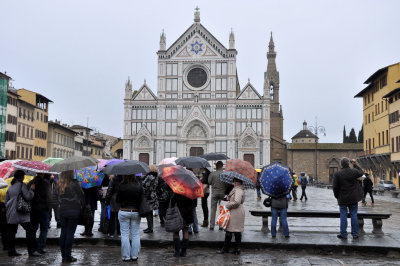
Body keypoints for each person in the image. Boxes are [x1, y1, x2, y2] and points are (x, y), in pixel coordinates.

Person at [5, 170, 40, 257]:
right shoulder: (22, 185)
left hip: (11, 213)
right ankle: (31, 251)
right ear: (21, 177)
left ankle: (11, 251)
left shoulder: (10, 186)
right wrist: (32, 190)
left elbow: (6, 201)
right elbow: (28, 197)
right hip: (21, 212)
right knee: (30, 231)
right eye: (23, 176)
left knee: (11, 233)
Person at [333, 158, 364, 240]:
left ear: (341, 164)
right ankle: (355, 234)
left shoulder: (337, 174)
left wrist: (337, 196)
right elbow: (362, 172)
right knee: (354, 215)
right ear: (348, 163)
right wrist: (355, 164)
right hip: (353, 198)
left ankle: (343, 234)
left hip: (342, 198)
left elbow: (335, 187)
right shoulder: (354, 171)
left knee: (343, 215)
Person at [116, 174, 143, 262]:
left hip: (124, 211)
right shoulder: (139, 185)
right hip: (135, 211)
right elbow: (142, 199)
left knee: (124, 234)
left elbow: (118, 199)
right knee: (135, 234)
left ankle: (126, 256)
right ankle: (134, 256)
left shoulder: (121, 185)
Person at [59, 170, 84, 263]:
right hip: (73, 210)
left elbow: (56, 197)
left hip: (62, 210)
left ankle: (63, 256)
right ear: (71, 174)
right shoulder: (75, 183)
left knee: (63, 233)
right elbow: (81, 195)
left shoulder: (60, 183)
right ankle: (67, 256)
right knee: (70, 233)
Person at [217, 178, 245, 255]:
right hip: (235, 211)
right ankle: (237, 249)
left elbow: (237, 202)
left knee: (231, 230)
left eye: (234, 182)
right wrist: (228, 198)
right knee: (235, 230)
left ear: (237, 182)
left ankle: (226, 248)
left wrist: (227, 205)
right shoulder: (237, 189)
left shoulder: (238, 190)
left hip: (235, 212)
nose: (233, 183)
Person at [28, 173, 52, 254]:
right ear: (42, 174)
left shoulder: (30, 183)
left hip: (33, 209)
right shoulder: (46, 184)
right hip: (43, 209)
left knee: (33, 229)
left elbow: (27, 196)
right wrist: (49, 209)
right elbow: (49, 197)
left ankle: (33, 247)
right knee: (44, 229)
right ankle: (40, 247)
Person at [171, 193, 196, 257]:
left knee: (176, 231)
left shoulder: (178, 190)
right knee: (185, 231)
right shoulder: (191, 191)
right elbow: (194, 204)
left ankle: (177, 251)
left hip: (178, 213)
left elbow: (172, 202)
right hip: (188, 213)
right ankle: (184, 251)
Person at [208, 161, 226, 230]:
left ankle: (212, 225)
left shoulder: (213, 173)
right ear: (222, 166)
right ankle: (221, 225)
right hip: (222, 193)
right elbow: (227, 184)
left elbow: (209, 182)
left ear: (217, 166)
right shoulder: (225, 174)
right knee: (222, 209)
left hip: (214, 193)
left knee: (213, 209)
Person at [142, 165, 159, 233]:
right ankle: (150, 227)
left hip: (148, 196)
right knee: (150, 212)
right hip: (153, 196)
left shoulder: (149, 177)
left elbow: (146, 186)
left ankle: (150, 228)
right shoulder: (156, 176)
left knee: (148, 212)